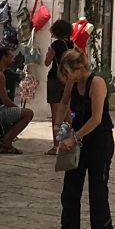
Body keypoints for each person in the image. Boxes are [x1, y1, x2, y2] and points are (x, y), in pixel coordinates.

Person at [56, 48, 115, 229]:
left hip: (99, 142)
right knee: (70, 193)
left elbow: (96, 119)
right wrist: (60, 128)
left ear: (79, 68)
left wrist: (74, 137)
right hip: (77, 142)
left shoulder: (96, 83)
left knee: (98, 193)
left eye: (68, 72)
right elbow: (64, 103)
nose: (66, 77)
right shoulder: (72, 83)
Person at [0, 45, 34, 154]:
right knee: (28, 114)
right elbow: (5, 100)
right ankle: (7, 143)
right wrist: (17, 108)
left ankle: (5, 140)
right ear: (4, 58)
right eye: (11, 56)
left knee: (21, 113)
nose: (13, 59)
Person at [43, 18, 73, 154]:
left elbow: (47, 62)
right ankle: (67, 143)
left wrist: (49, 53)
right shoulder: (71, 44)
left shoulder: (55, 45)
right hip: (68, 80)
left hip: (55, 80)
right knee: (67, 114)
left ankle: (56, 145)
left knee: (56, 114)